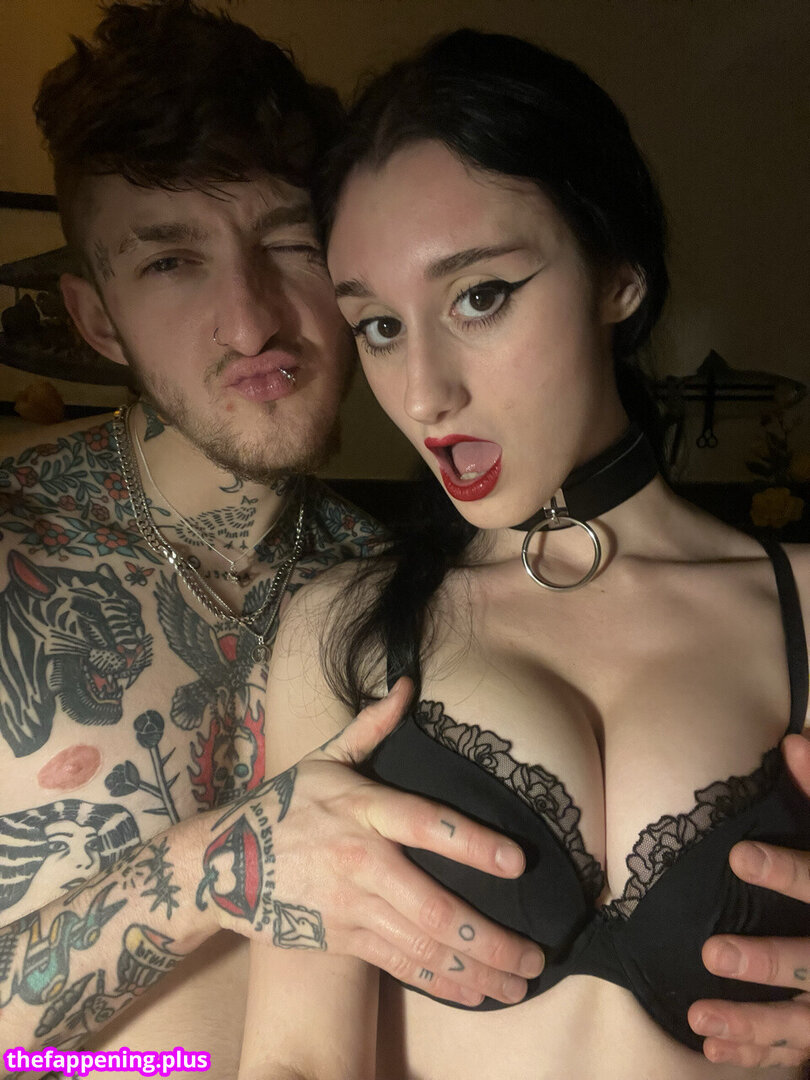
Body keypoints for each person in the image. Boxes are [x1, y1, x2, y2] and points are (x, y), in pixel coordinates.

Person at [237, 29, 810, 1079]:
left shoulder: (806, 608)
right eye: (378, 326)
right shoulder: (343, 630)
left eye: (480, 296)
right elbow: (297, 1060)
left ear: (618, 275)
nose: (424, 394)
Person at [0, 6, 545, 1074]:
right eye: (170, 262)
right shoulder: (18, 552)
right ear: (97, 317)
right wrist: (222, 862)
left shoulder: (413, 593)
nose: (252, 323)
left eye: (289, 246)